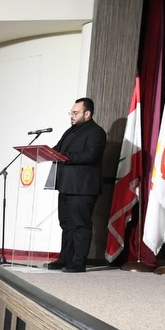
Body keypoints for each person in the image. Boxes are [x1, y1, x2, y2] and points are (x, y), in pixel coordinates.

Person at [47, 97, 107, 273]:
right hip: (66, 185)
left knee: (79, 225)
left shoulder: (97, 132)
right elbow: (57, 150)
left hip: (82, 188)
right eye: (71, 113)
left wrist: (66, 157)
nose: (72, 116)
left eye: (75, 112)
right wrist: (45, 152)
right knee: (66, 225)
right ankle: (65, 259)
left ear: (87, 113)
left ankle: (78, 262)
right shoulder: (70, 131)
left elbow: (91, 155)